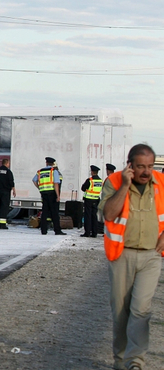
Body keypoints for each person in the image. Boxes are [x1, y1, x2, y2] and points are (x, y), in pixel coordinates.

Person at [99, 144, 164, 370]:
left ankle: (135, 362)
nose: (146, 172)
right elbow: (108, 214)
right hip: (121, 255)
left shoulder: (161, 182)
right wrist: (126, 186)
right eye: (140, 167)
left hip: (151, 256)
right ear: (130, 165)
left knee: (141, 309)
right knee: (121, 311)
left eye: (150, 166)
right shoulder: (115, 182)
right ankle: (121, 360)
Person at [32, 157, 66, 235]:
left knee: (45, 212)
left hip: (43, 193)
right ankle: (57, 230)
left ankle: (43, 230)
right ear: (53, 164)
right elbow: (56, 183)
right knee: (54, 212)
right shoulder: (54, 171)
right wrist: (58, 195)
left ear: (46, 163)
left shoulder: (40, 171)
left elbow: (34, 180)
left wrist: (40, 188)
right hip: (52, 193)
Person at [80, 165, 102, 238]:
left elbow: (83, 188)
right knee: (94, 216)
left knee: (88, 216)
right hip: (96, 200)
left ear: (92, 172)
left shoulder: (90, 180)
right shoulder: (100, 181)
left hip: (88, 200)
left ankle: (87, 232)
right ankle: (94, 232)